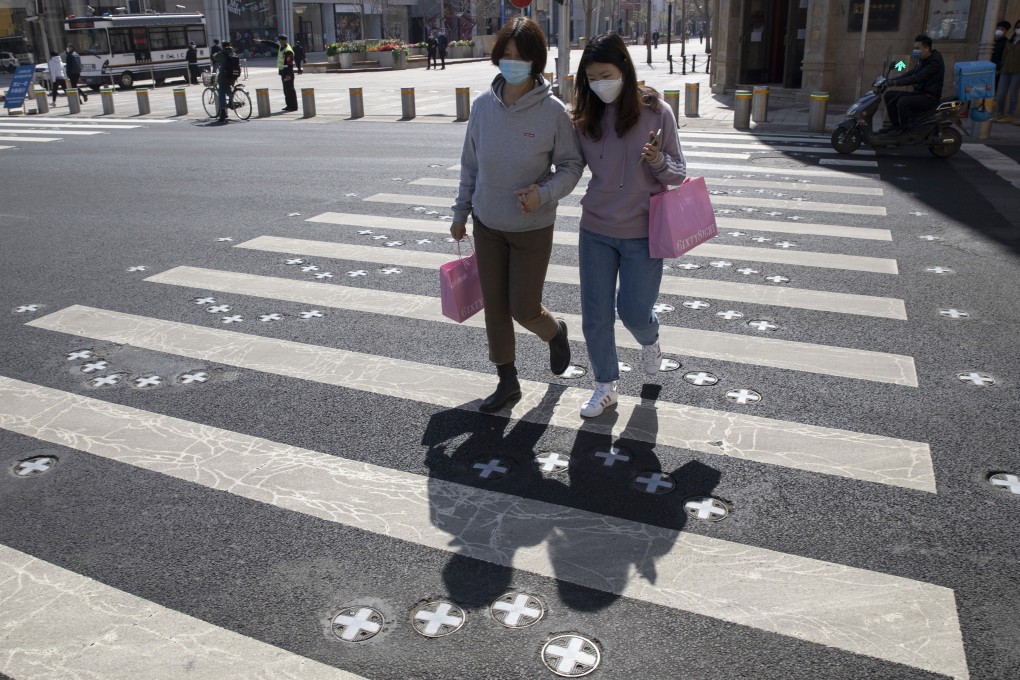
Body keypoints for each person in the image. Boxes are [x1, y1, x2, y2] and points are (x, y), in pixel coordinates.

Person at [449, 16, 584, 413]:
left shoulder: (553, 112)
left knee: (524, 308)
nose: (512, 63)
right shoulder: (481, 107)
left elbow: (573, 165)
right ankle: (507, 381)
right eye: (506, 55)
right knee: (495, 306)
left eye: (521, 57)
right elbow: (470, 165)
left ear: (536, 61)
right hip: (487, 223)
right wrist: (461, 212)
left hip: (532, 228)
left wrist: (543, 195)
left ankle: (555, 331)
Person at [570, 32, 687, 418]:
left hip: (642, 232)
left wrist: (656, 161)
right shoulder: (586, 115)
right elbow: (571, 165)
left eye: (605, 73)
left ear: (624, 68)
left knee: (635, 312)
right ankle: (605, 385)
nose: (599, 83)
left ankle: (650, 341)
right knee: (595, 315)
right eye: (591, 77)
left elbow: (678, 174)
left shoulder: (656, 112)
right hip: (596, 229)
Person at [880, 34, 944, 135]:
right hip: (919, 94)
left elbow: (918, 77)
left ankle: (905, 130)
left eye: (917, 48)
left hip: (929, 97)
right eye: (914, 48)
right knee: (889, 95)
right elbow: (911, 73)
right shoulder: (923, 60)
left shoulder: (935, 62)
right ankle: (895, 126)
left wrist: (895, 83)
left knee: (903, 101)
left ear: (927, 48)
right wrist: (890, 80)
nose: (915, 50)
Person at [994, 21, 1020, 123]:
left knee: (1013, 93)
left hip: (1017, 71)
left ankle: (1010, 114)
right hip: (1005, 69)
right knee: (1001, 93)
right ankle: (999, 113)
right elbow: (1004, 55)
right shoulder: (1010, 41)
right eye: (1017, 27)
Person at [214, 41, 237, 122]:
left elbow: (215, 57)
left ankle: (223, 113)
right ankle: (231, 102)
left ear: (223, 46)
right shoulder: (233, 52)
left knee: (221, 93)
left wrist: (215, 54)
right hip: (233, 76)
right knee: (229, 86)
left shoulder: (222, 53)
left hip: (224, 76)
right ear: (230, 45)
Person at [277, 34, 298, 111]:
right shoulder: (281, 48)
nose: (280, 42)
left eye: (282, 41)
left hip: (288, 73)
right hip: (283, 72)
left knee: (290, 90)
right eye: (280, 41)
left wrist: (288, 75)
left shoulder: (288, 51)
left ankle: (293, 107)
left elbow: (290, 64)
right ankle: (288, 105)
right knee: (286, 90)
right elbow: (272, 44)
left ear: (285, 41)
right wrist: (262, 41)